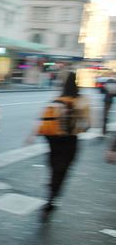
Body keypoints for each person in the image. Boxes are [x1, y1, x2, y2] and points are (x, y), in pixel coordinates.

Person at [37, 72, 90, 219]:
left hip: (53, 141)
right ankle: (52, 198)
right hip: (70, 141)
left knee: (54, 169)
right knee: (62, 171)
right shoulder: (82, 100)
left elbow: (47, 121)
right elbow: (87, 126)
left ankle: (51, 191)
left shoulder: (57, 99)